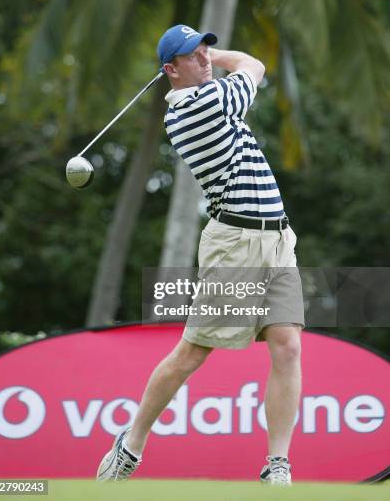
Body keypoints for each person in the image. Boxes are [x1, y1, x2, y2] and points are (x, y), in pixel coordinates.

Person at [97, 24, 305, 486]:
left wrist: (207, 54)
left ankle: (278, 466)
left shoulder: (206, 89)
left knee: (288, 346)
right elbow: (254, 65)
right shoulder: (199, 107)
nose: (206, 59)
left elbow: (241, 68)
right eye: (193, 55)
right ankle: (131, 443)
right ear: (170, 70)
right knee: (192, 352)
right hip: (235, 246)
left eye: (206, 49)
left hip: (277, 241)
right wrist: (224, 55)